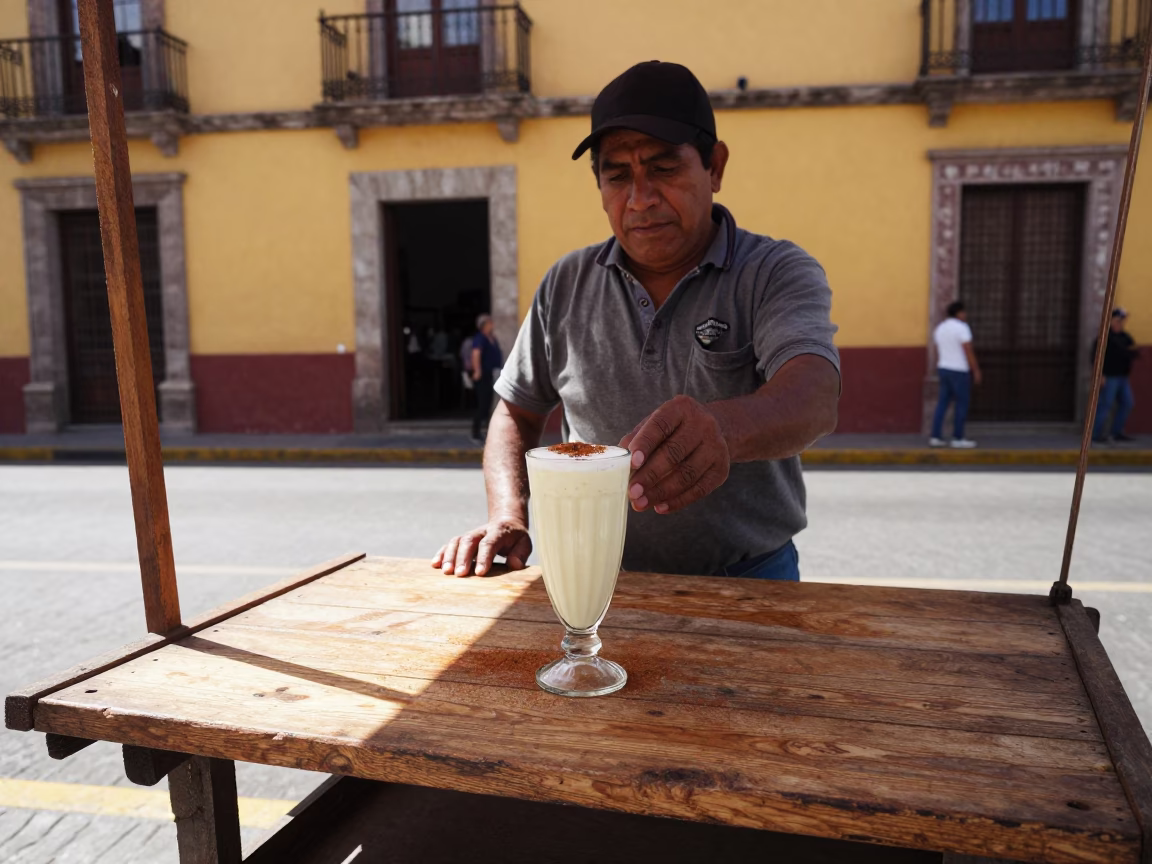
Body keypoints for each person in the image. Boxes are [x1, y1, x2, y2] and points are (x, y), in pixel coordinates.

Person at [433, 61, 840, 581]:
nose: (640, 199)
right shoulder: (566, 283)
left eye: (664, 169)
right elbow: (516, 411)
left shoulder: (773, 271)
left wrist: (723, 429)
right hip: (591, 572)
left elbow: (814, 395)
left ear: (715, 167)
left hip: (751, 576)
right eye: (617, 175)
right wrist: (509, 513)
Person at [929, 300, 982, 449]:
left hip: (944, 368)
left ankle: (935, 437)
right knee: (962, 403)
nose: (965, 315)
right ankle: (958, 437)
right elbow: (968, 350)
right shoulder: (962, 328)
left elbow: (937, 349)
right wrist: (976, 370)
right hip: (959, 370)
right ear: (958, 313)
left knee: (942, 403)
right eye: (964, 312)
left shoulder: (940, 328)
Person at [1093, 307, 1139, 444]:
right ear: (1111, 321)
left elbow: (1134, 352)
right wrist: (1100, 375)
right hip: (1110, 377)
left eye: (1122, 320)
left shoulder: (1125, 337)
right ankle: (1095, 434)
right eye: (1118, 320)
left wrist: (1130, 353)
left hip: (1123, 377)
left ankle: (1116, 432)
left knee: (1127, 403)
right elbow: (1095, 358)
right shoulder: (1104, 337)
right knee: (1105, 405)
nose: (1120, 323)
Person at [470, 314, 503, 443]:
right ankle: (475, 432)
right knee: (482, 404)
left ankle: (487, 430)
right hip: (482, 375)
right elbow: (476, 354)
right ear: (484, 325)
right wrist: (477, 370)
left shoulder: (492, 338)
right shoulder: (480, 338)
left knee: (489, 403)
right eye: (490, 323)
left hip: (491, 374)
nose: (492, 325)